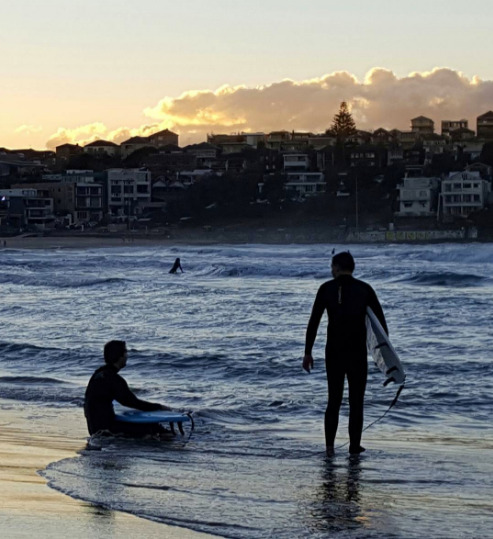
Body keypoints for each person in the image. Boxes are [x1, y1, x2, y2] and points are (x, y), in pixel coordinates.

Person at [303, 252, 388, 456]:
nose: (331, 270)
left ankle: (330, 448)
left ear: (337, 267)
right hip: (357, 352)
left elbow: (313, 322)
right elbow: (381, 327)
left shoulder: (326, 289)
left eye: (332, 267)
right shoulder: (365, 289)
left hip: (334, 352)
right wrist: (384, 357)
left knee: (333, 401)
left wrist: (308, 352)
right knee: (356, 402)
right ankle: (354, 447)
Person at [84, 340, 172, 438]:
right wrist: (159, 407)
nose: (127, 355)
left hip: (93, 427)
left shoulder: (98, 374)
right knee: (157, 430)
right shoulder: (114, 379)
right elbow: (133, 402)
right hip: (105, 428)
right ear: (120, 356)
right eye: (125, 352)